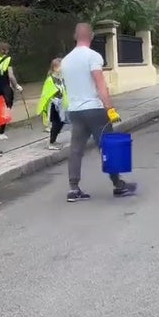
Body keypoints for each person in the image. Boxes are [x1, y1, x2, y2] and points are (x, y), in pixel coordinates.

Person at [60, 23, 137, 202]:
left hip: (75, 111)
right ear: (92, 36)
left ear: (75, 36)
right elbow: (100, 84)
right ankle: (118, 185)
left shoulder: (65, 61)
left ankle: (73, 189)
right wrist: (110, 108)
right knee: (108, 147)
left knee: (76, 150)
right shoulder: (93, 56)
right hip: (94, 110)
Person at [0, 42, 23, 140]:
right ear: (7, 50)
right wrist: (16, 86)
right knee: (6, 108)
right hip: (4, 87)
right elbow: (11, 75)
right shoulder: (8, 59)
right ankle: (1, 133)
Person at [37, 58, 68, 151]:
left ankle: (53, 141)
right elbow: (47, 93)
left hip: (61, 104)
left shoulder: (61, 78)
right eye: (61, 66)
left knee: (61, 122)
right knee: (56, 123)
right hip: (54, 105)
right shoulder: (50, 79)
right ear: (55, 68)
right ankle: (51, 143)